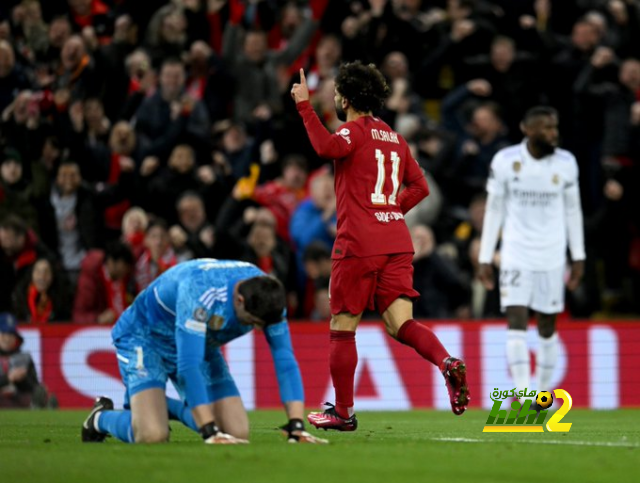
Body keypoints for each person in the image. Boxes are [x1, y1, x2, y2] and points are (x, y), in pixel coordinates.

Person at [291, 62, 469, 431]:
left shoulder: (351, 132)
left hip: (359, 243)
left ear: (347, 97)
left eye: (338, 92)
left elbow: (324, 147)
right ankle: (447, 362)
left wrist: (304, 106)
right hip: (396, 242)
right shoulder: (394, 138)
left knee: (342, 326)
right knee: (401, 323)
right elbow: (420, 187)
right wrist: (387, 212)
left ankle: (343, 412)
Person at [80, 259, 327, 445]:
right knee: (152, 434)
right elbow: (189, 365)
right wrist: (208, 430)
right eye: (252, 322)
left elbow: (285, 360)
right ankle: (100, 418)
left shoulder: (267, 296)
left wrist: (297, 426)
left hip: (198, 340)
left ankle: (158, 404)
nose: (259, 328)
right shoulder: (200, 292)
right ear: (239, 300)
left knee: (235, 434)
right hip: (145, 337)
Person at [477, 106, 585, 403]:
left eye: (555, 127)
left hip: (552, 256)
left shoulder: (566, 163)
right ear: (527, 129)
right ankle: (525, 394)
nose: (553, 133)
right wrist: (486, 256)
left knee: (548, 327)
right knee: (517, 322)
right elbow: (494, 209)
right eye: (546, 128)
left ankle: (541, 392)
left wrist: (579, 256)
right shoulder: (505, 161)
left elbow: (573, 210)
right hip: (516, 254)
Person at [0, 312, 55, 408]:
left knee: (40, 393)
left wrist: (22, 379)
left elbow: (33, 387)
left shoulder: (25, 358)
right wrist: (8, 378)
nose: (7, 339)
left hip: (18, 402)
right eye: (4, 334)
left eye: (11, 334)